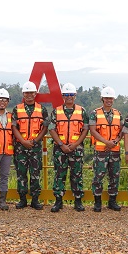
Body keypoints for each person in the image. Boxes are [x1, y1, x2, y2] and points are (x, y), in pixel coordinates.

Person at [48, 83, 88, 212]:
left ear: (75, 96)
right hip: (60, 149)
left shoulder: (82, 111)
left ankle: (78, 201)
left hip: (76, 149)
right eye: (66, 95)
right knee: (59, 175)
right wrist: (61, 144)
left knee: (77, 175)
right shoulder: (56, 111)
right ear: (63, 96)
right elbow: (51, 129)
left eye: (71, 94)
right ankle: (58, 201)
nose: (69, 97)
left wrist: (76, 144)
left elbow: (85, 130)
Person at [11, 81, 49, 210]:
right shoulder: (17, 109)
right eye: (27, 93)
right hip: (20, 147)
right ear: (23, 94)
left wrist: (35, 140)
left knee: (35, 173)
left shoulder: (42, 109)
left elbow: (45, 127)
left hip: (35, 147)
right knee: (21, 173)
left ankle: (35, 200)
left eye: (31, 93)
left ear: (35, 94)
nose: (29, 95)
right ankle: (22, 199)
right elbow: (14, 127)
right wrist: (22, 141)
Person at [87, 86, 122, 212]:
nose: (109, 100)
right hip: (100, 150)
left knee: (114, 176)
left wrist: (115, 141)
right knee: (98, 176)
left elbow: (122, 131)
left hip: (115, 150)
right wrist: (106, 142)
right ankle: (97, 202)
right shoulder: (95, 113)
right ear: (102, 98)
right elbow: (92, 130)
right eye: (106, 98)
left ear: (113, 99)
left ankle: (112, 201)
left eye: (110, 98)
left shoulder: (118, 114)